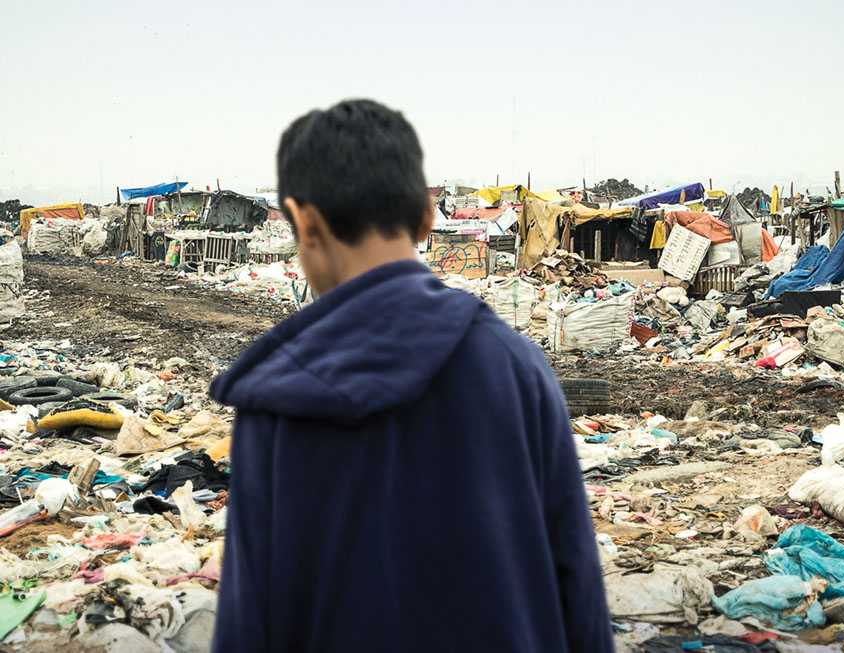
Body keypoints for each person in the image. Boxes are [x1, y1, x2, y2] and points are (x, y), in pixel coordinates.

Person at [209, 99, 612, 652]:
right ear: (426, 218)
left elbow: (247, 621)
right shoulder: (519, 367)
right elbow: (578, 591)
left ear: (303, 221)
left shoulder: (275, 398)